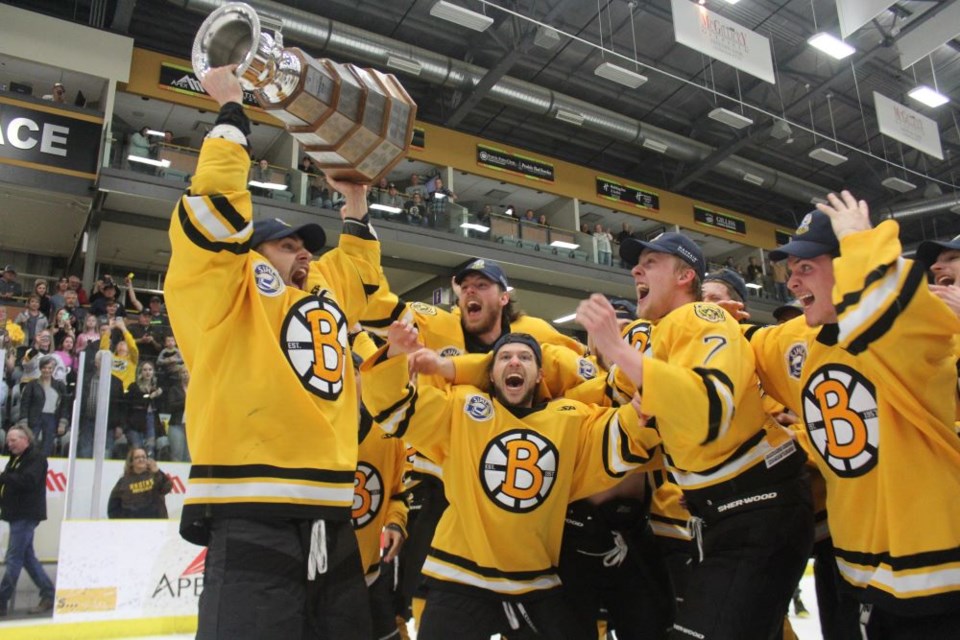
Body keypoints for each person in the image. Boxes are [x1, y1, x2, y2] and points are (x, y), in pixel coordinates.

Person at [164, 65, 382, 640]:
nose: (305, 256)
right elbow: (214, 210)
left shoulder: (318, 294)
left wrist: (355, 201)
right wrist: (233, 111)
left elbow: (357, 271)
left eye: (308, 249)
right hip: (251, 504)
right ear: (251, 253)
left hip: (333, 513)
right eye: (288, 246)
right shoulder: (225, 286)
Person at [576, 231, 813, 640]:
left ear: (686, 276)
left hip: (759, 511)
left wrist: (617, 348)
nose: (635, 269)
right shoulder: (666, 334)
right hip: (730, 513)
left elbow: (708, 409)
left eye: (650, 262)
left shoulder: (699, 317)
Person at [746, 192, 960, 638]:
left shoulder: (915, 333)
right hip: (854, 575)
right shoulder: (801, 343)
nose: (792, 282)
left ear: (847, 269)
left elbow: (884, 310)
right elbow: (742, 349)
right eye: (791, 271)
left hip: (937, 582)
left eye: (806, 268)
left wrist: (860, 241)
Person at [361, 327, 659, 640]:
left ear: (540, 374)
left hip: (535, 580)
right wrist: (395, 352)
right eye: (505, 357)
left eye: (525, 358)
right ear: (490, 374)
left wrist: (644, 414)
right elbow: (395, 411)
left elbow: (619, 438)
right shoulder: (463, 407)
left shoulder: (571, 420)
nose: (514, 362)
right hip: (461, 575)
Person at [0, 426, 56, 616]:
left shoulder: (36, 459)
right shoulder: (16, 459)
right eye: (8, 440)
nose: (9, 443)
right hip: (16, 514)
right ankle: (48, 593)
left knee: (14, 557)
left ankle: (1, 600)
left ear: (26, 440)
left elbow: (27, 481)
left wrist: (4, 477)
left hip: (26, 514)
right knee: (26, 557)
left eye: (13, 440)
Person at [18, 356, 69, 457]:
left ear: (53, 369)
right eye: (44, 368)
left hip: (52, 419)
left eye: (50, 368)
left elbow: (65, 405)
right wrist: (24, 420)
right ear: (40, 368)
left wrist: (62, 423)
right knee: (31, 445)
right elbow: (25, 403)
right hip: (34, 418)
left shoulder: (60, 386)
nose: (47, 370)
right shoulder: (32, 384)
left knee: (47, 446)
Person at [107, 448, 173, 519]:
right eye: (137, 457)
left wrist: (157, 471)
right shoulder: (124, 481)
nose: (141, 459)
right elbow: (113, 507)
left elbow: (167, 488)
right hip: (133, 525)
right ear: (131, 462)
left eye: (143, 457)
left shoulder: (155, 475)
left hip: (156, 522)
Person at [123, 361, 163, 458]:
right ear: (140, 372)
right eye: (145, 370)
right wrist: (152, 396)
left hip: (151, 420)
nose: (147, 372)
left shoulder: (156, 388)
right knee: (137, 449)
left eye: (150, 370)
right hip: (135, 422)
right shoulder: (133, 387)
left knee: (150, 448)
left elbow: (159, 407)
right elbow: (136, 402)